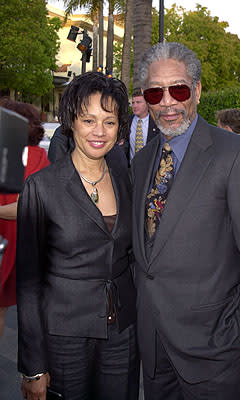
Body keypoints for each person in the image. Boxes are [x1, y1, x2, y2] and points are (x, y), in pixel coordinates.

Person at [130, 42, 240, 400]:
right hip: (154, 347)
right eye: (155, 92)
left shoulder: (239, 156)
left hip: (217, 348)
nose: (167, 102)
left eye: (178, 89)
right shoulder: (141, 162)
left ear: (196, 91)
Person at [16, 72, 139, 400]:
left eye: (109, 122)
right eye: (89, 119)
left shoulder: (125, 180)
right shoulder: (42, 187)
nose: (99, 131)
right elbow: (28, 283)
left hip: (122, 334)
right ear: (71, 120)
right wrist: (33, 366)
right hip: (64, 338)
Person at [0, 98, 50, 337]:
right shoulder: (39, 157)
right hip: (26, 244)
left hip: (10, 242)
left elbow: (24, 206)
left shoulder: (28, 156)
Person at [120, 88, 159, 164]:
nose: (135, 106)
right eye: (133, 103)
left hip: (150, 169)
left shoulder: (156, 122)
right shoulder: (126, 121)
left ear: (147, 103)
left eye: (138, 102)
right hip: (131, 169)